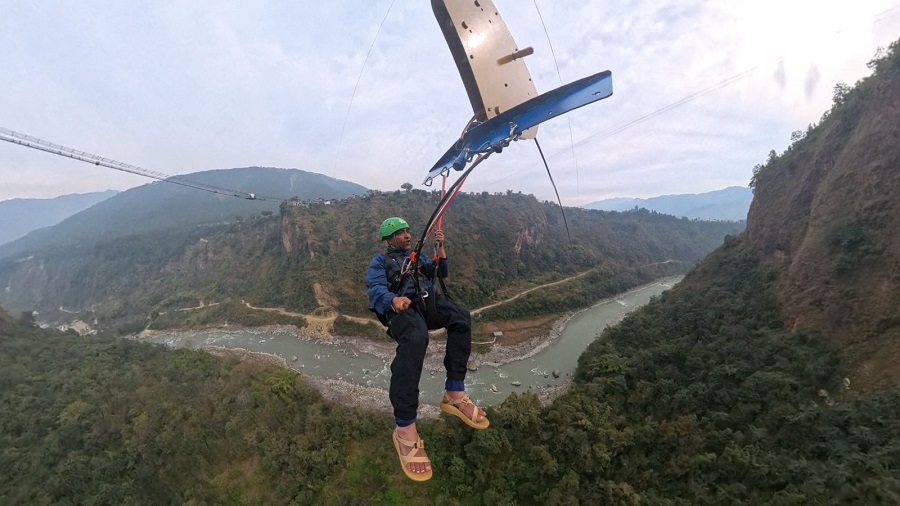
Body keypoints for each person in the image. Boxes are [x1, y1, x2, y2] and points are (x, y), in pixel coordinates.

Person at [366, 216, 489, 481]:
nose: (407, 235)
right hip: (403, 310)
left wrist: (440, 249)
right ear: (389, 239)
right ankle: (404, 426)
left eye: (408, 231)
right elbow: (375, 290)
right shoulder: (381, 261)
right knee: (416, 337)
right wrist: (393, 299)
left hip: (426, 303)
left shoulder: (416, 256)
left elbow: (440, 271)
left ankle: (454, 392)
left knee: (460, 316)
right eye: (400, 233)